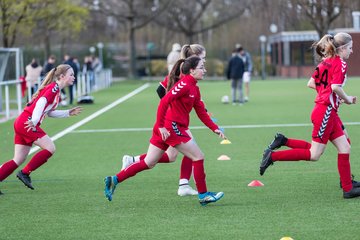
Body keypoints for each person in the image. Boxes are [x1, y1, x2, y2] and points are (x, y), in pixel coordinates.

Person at [104, 56, 227, 206]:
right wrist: (161, 125)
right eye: (202, 67)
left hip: (168, 127)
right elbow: (164, 101)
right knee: (198, 156)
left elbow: (201, 112)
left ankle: (114, 179)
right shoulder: (185, 84)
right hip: (170, 127)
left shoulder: (194, 88)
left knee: (149, 162)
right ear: (192, 70)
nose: (205, 70)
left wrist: (214, 128)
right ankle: (203, 195)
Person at [259, 32, 360, 199]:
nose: (352, 51)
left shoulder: (325, 62)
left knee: (345, 146)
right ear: (341, 48)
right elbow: (335, 87)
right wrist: (346, 99)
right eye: (350, 48)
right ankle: (273, 156)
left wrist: (330, 96)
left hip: (327, 110)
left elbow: (311, 83)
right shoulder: (340, 64)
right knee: (314, 154)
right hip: (325, 111)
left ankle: (347, 185)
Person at [122, 44, 207, 197]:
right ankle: (184, 185)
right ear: (194, 59)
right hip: (172, 122)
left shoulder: (190, 75)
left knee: (171, 157)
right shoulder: (182, 72)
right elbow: (161, 90)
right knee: (193, 152)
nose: (204, 62)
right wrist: (172, 109)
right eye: (203, 58)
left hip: (177, 121)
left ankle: (133, 160)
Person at [0, 64, 82, 194]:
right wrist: (33, 120)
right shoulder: (54, 88)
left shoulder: (56, 90)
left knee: (18, 159)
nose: (74, 77)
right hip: (27, 122)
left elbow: (48, 112)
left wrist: (67, 113)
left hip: (24, 122)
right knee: (50, 148)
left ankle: (20, 173)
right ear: (62, 76)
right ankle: (24, 173)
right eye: (71, 74)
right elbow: (41, 102)